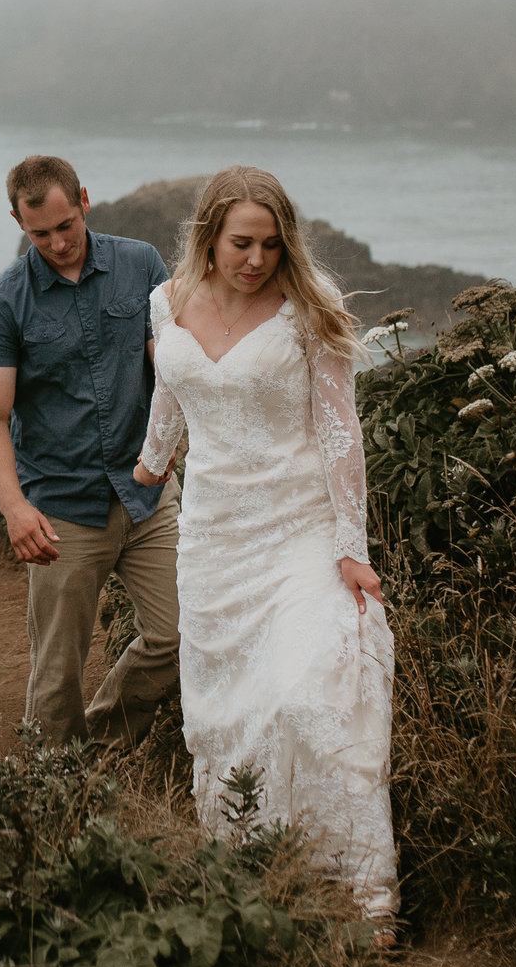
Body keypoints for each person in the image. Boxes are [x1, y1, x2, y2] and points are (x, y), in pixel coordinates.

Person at [132, 164, 398, 923]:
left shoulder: (310, 311)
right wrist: (151, 462)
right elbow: (173, 391)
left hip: (300, 532)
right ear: (208, 236)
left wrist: (353, 545)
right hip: (213, 537)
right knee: (228, 709)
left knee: (313, 688)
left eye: (272, 246)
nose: (256, 260)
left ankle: (360, 890)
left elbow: (342, 434)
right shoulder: (167, 302)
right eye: (241, 243)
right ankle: (257, 861)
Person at [0, 155, 180, 745]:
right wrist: (15, 509)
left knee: (180, 637)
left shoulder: (141, 263)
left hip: (148, 491)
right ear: (18, 222)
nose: (58, 243)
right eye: (40, 233)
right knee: (57, 674)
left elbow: (169, 361)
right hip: (61, 507)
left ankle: (103, 743)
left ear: (84, 200)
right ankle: (53, 782)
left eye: (67, 225)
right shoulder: (2, 303)